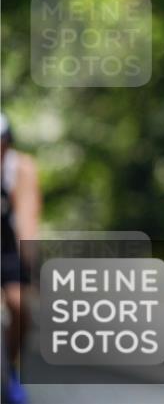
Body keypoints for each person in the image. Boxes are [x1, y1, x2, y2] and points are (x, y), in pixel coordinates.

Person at [1, 113, 40, 404]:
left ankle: (11, 369)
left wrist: (29, 265)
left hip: (8, 246)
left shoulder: (21, 168)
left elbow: (27, 218)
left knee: (18, 306)